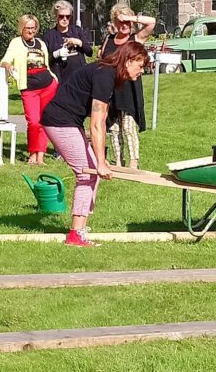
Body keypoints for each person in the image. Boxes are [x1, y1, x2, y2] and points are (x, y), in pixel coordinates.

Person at [41, 39, 148, 247]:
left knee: (92, 174)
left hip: (69, 122)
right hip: (59, 122)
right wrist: (99, 162)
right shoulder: (105, 75)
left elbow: (102, 118)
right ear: (128, 61)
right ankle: (75, 235)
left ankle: (81, 228)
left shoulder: (110, 74)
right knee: (88, 174)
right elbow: (96, 124)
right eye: (140, 65)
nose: (142, 71)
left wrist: (101, 159)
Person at [98, 4, 156, 168]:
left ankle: (133, 162)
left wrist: (130, 17)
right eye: (120, 21)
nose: (124, 25)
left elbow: (151, 22)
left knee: (128, 126)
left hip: (129, 90)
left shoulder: (136, 39)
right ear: (114, 22)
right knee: (113, 128)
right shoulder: (109, 39)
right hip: (111, 89)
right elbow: (102, 58)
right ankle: (118, 160)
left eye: (126, 22)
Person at [0, 9, 58, 163]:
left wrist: (54, 78)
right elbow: (5, 60)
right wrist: (8, 66)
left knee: (45, 121)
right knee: (34, 122)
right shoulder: (16, 43)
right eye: (28, 28)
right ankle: (32, 153)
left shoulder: (41, 43)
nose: (31, 31)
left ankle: (40, 156)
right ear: (22, 28)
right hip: (29, 88)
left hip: (48, 85)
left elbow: (46, 64)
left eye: (33, 28)